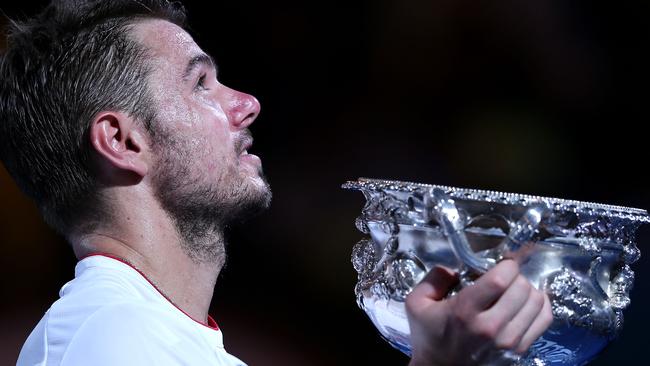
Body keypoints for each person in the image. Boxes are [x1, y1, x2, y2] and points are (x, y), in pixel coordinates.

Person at [0, 1, 552, 365]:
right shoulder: (113, 340)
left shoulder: (153, 336)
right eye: (200, 84)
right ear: (122, 142)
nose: (247, 104)